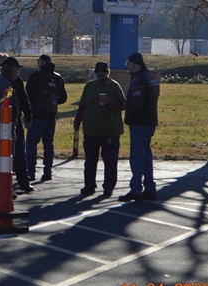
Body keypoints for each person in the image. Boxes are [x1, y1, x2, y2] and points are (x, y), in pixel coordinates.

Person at [73, 62, 126, 197]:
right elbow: (82, 106)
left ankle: (108, 187)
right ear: (95, 72)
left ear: (108, 72)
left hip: (110, 131)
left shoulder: (114, 87)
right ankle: (89, 186)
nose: (101, 73)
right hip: (91, 130)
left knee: (110, 162)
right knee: (90, 161)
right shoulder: (90, 86)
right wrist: (77, 122)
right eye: (98, 71)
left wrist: (110, 102)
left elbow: (123, 104)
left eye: (103, 71)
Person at [0, 57, 34, 197]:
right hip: (3, 124)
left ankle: (19, 182)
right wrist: (12, 131)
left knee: (11, 155)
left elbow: (22, 102)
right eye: (17, 69)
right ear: (11, 69)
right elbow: (7, 110)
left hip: (1, 123)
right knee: (4, 157)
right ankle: (0, 187)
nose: (18, 72)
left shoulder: (3, 81)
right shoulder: (5, 84)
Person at [119, 52, 160, 202]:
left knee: (137, 157)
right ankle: (150, 188)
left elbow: (136, 105)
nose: (127, 66)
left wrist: (128, 119)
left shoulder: (139, 79)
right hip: (150, 121)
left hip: (140, 122)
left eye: (128, 63)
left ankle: (136, 189)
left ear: (134, 64)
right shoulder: (150, 77)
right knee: (146, 156)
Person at [25, 55, 67, 181]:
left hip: (37, 115)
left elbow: (27, 95)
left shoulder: (36, 76)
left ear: (42, 62)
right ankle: (47, 172)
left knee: (31, 144)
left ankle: (30, 172)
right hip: (51, 115)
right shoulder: (58, 78)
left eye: (38, 61)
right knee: (48, 144)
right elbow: (63, 98)